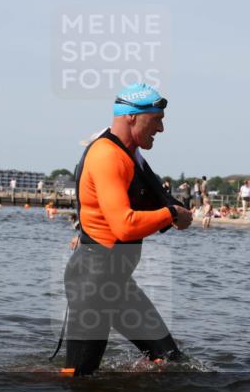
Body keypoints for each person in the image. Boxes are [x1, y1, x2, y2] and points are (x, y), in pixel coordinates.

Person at [57, 83, 192, 376]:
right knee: (78, 379)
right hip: (93, 282)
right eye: (156, 120)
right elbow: (124, 226)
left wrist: (173, 212)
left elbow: (149, 202)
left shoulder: (130, 156)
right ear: (132, 116)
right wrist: (170, 214)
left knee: (169, 360)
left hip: (116, 282)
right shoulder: (108, 156)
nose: (161, 128)